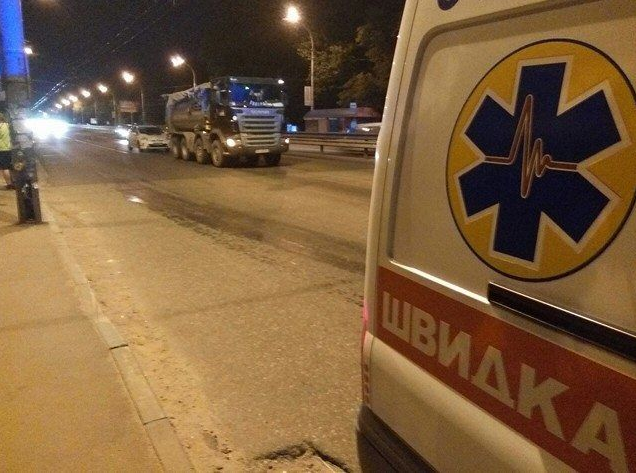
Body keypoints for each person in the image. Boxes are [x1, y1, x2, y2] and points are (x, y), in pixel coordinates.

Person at [0, 112, 14, 189]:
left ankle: (9, 184)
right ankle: (13, 182)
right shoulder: (7, 125)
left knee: (5, 168)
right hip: (9, 148)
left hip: (1, 149)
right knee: (8, 166)